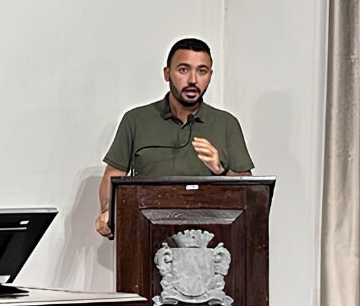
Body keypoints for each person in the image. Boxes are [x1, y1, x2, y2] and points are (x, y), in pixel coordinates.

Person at [94, 38, 254, 238]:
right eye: (183, 70)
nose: (193, 80)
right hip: (145, 237)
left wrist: (220, 170)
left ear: (210, 76)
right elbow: (112, 178)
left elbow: (250, 194)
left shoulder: (227, 124)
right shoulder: (136, 120)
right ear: (167, 73)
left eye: (202, 71)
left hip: (212, 243)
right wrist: (109, 211)